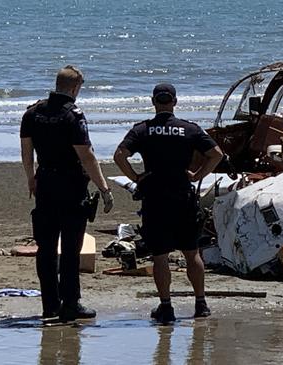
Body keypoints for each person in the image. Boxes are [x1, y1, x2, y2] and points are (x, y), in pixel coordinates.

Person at [113, 83, 223, 322]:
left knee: (160, 255)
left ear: (153, 102)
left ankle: (166, 306)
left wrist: (136, 177)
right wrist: (198, 175)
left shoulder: (143, 130)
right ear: (174, 102)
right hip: (182, 196)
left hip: (155, 198)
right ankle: (200, 304)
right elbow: (216, 154)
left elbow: (119, 155)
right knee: (191, 252)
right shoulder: (189, 129)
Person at [20, 65, 114, 322]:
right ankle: (70, 303)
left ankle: (50, 305)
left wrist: (31, 178)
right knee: (71, 248)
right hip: (71, 185)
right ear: (75, 88)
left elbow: (26, 151)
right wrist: (104, 188)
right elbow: (87, 155)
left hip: (45, 182)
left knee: (46, 248)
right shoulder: (73, 115)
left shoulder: (33, 112)